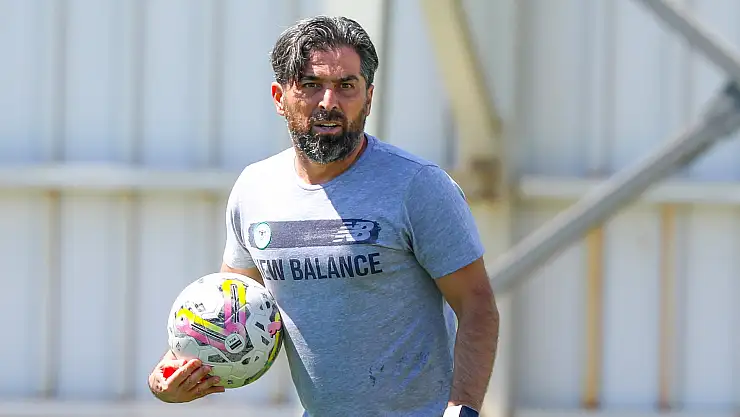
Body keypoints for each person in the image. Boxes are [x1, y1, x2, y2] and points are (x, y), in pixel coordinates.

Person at [147, 15, 499, 417]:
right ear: (279, 97)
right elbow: (229, 309)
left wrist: (462, 408)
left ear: (369, 97)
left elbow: (476, 304)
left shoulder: (417, 185)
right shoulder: (254, 189)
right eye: (311, 84)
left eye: (346, 86)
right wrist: (170, 372)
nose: (329, 102)